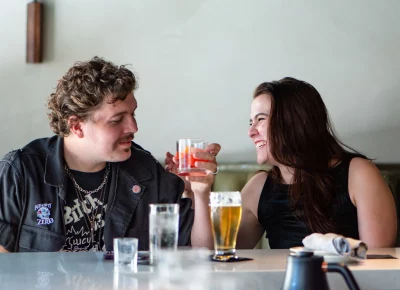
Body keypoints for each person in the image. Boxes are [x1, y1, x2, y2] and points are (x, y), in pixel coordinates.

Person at [0, 57, 219, 252]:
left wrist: (200, 192)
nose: (133, 127)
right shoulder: (21, 172)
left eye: (133, 114)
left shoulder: (146, 171)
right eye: (117, 120)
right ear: (76, 126)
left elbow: (201, 255)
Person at [237, 77, 397, 249]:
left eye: (260, 119)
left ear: (294, 122)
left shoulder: (358, 173)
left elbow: (379, 263)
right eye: (251, 122)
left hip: (347, 276)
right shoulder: (258, 187)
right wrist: (202, 191)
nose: (250, 132)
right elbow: (219, 256)